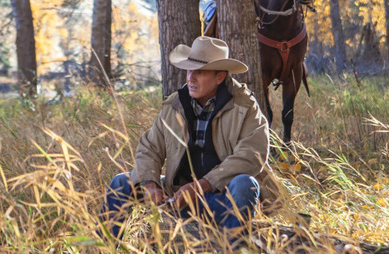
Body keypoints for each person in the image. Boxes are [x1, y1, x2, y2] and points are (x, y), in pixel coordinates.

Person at [99, 36, 274, 243]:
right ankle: (101, 248)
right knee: (121, 182)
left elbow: (251, 156)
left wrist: (202, 186)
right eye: (189, 70)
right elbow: (149, 147)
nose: (190, 78)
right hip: (176, 198)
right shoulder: (175, 104)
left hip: (221, 199)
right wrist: (150, 183)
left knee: (246, 184)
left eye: (199, 72)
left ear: (219, 77)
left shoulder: (245, 107)